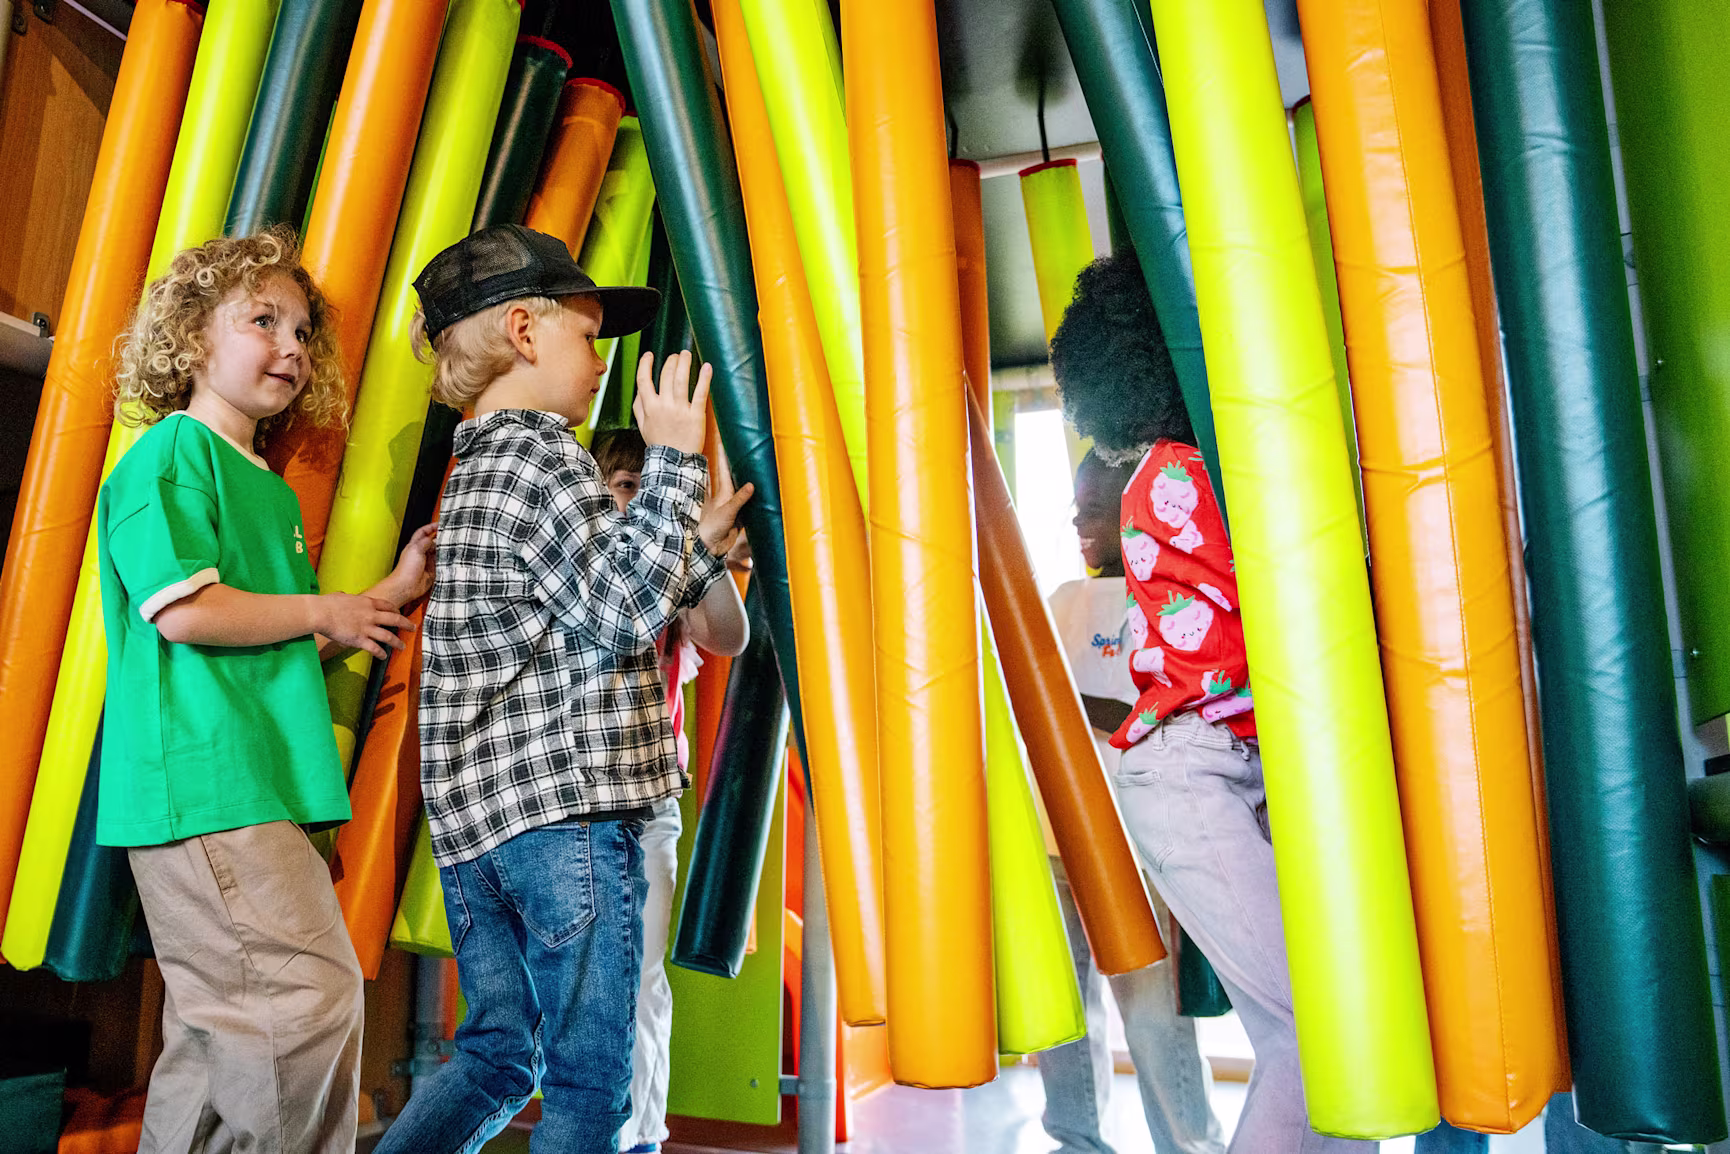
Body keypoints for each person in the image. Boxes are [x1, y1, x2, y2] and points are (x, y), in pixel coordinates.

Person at [373, 224, 753, 1154]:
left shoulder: (474, 470)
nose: (601, 361)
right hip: (567, 818)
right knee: (592, 1078)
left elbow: (585, 601)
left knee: (500, 1057)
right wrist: (671, 459)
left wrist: (684, 540)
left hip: (482, 835)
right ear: (523, 331)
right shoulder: (545, 458)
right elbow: (624, 615)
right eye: (587, 336)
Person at [95, 226, 434, 1153]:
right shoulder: (171, 453)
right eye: (261, 320)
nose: (290, 345)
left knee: (216, 1042)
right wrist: (326, 608)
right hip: (208, 785)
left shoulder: (271, 494)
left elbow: (265, 640)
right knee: (304, 1003)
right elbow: (187, 613)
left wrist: (369, 604)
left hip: (256, 784)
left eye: (300, 332)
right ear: (191, 339)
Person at [1049, 252, 1367, 1153]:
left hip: (1219, 764)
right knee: (1318, 1032)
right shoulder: (1173, 476)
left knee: (1318, 1036)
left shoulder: (1184, 468)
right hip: (1190, 772)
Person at [1038, 449, 1226, 1154]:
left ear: (1133, 506)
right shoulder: (1060, 600)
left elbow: (1150, 713)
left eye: (1094, 506)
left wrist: (1062, 696)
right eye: (1077, 505)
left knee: (1154, 1018)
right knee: (1065, 1013)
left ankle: (1188, 1145)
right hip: (1060, 840)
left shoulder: (1167, 598)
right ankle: (1076, 1139)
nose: (1080, 521)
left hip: (1140, 843)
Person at [591, 426, 750, 1154]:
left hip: (650, 802)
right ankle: (603, 1129)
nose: (632, 506)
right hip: (583, 799)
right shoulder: (588, 566)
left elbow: (727, 636)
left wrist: (702, 557)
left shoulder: (670, 570)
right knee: (590, 984)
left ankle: (642, 1138)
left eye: (642, 491)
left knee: (645, 978)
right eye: (622, 488)